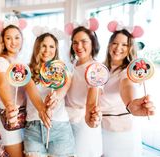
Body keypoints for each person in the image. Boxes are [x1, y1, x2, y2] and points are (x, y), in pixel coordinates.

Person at [99, 22, 155, 157]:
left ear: (130, 48)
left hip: (121, 133)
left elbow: (126, 85)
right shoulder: (102, 69)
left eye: (124, 44)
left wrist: (130, 103)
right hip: (103, 129)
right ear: (109, 45)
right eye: (115, 43)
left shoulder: (128, 72)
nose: (118, 48)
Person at [23, 29, 75, 157]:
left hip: (59, 126)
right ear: (37, 47)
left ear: (56, 49)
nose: (47, 50)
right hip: (34, 127)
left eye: (51, 46)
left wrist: (53, 100)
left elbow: (63, 89)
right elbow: (32, 91)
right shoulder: (26, 70)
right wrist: (42, 109)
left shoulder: (63, 70)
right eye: (43, 46)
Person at [64, 21, 103, 157]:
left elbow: (92, 102)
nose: (78, 46)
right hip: (66, 119)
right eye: (75, 42)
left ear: (93, 43)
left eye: (84, 41)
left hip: (82, 122)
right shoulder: (73, 64)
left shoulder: (95, 69)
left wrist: (90, 115)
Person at [0, 23, 26, 157]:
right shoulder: (1, 61)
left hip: (25, 115)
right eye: (8, 38)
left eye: (17, 37)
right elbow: (2, 83)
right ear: (3, 40)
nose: (13, 42)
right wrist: (9, 105)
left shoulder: (22, 62)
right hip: (10, 115)